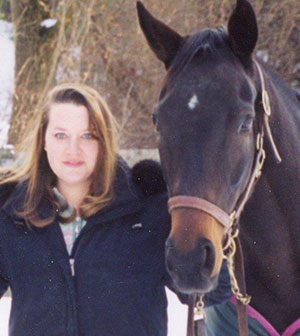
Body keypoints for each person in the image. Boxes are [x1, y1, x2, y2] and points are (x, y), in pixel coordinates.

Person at [0, 83, 232, 336]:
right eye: (60, 135)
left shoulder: (148, 210)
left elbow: (212, 290)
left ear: (104, 142)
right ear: (43, 141)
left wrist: (201, 218)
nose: (73, 150)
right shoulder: (13, 216)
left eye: (87, 136)